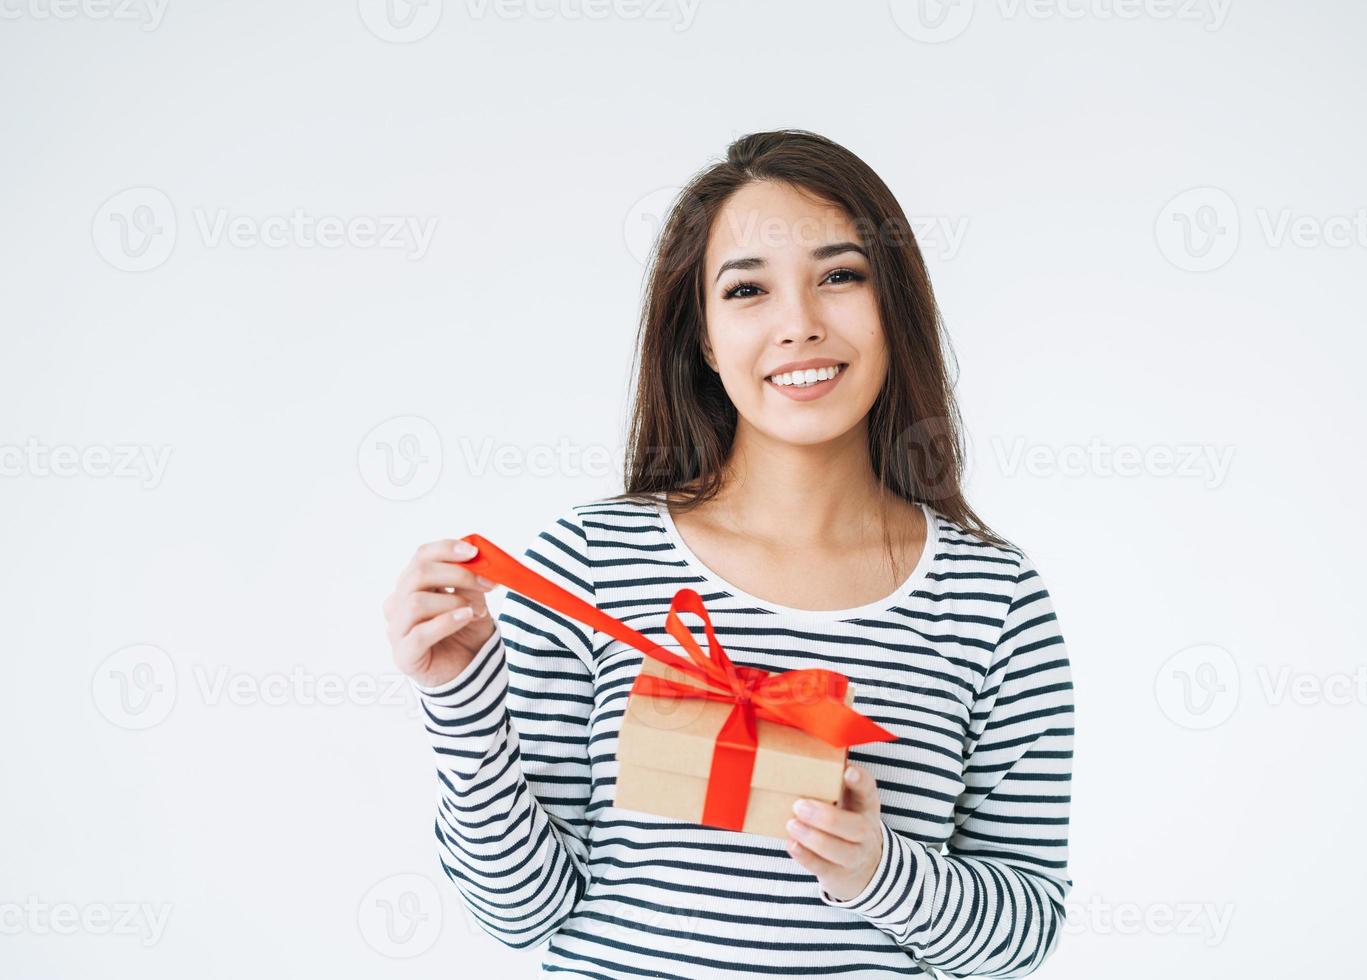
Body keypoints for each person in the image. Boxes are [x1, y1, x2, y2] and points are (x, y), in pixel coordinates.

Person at [381, 129, 1075, 978]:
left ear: (895, 304)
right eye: (748, 291)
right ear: (704, 339)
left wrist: (880, 873)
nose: (800, 326)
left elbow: (1024, 934)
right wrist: (460, 701)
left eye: (840, 276)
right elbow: (526, 914)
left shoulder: (994, 600)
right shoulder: (590, 565)